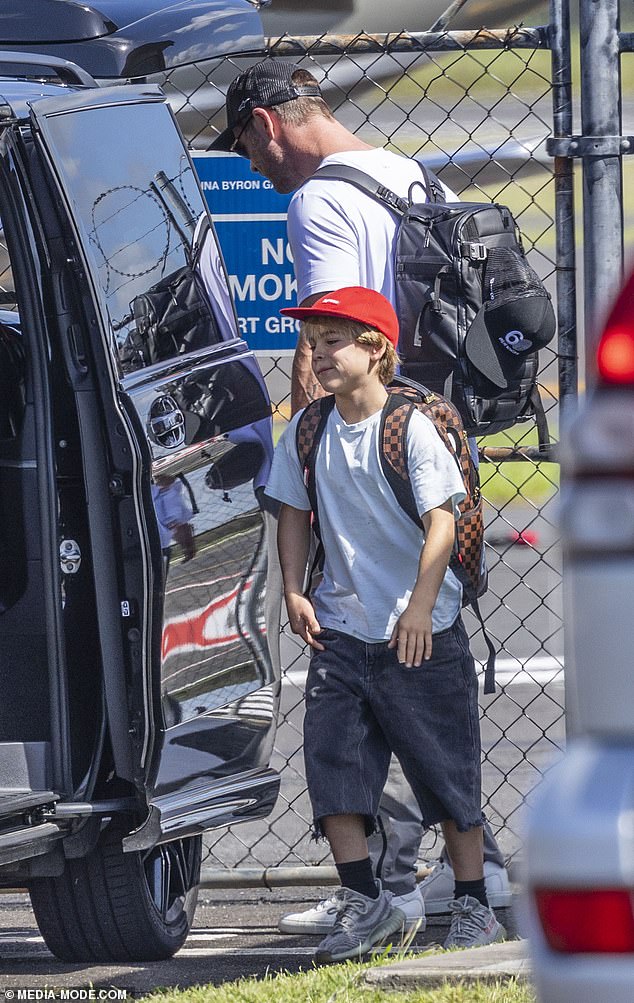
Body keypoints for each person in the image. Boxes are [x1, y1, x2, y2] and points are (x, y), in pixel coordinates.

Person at [211, 58, 511, 933]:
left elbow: (324, 333)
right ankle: (458, 883)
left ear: (267, 125)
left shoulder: (315, 201)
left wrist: (303, 458)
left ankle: (386, 885)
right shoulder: (404, 171)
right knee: (424, 700)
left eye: (244, 149)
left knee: (364, 662)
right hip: (428, 430)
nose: (253, 170)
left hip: (359, 450)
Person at [264, 286, 506, 961]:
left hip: (418, 631)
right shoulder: (310, 428)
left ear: (376, 348)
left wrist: (423, 606)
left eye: (333, 340)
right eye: (313, 341)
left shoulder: (410, 426)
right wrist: (293, 589)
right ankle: (366, 902)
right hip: (341, 629)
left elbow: (443, 520)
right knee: (334, 768)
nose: (318, 353)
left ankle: (473, 905)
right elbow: (290, 510)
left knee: (443, 773)